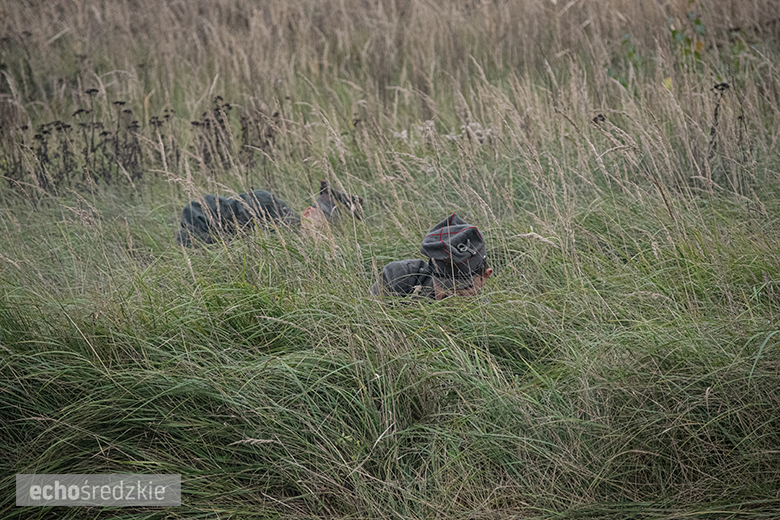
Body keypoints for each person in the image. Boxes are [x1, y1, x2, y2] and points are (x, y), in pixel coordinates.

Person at [175, 180, 363, 246]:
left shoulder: (289, 232)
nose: (322, 236)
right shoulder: (266, 205)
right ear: (307, 212)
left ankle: (330, 198)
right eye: (322, 232)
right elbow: (196, 209)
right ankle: (328, 198)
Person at [371, 213, 493, 300]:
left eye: (464, 288)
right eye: (444, 285)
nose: (451, 297)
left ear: (485, 276)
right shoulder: (398, 279)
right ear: (432, 271)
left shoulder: (487, 319)